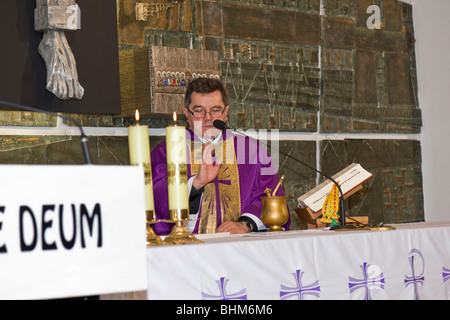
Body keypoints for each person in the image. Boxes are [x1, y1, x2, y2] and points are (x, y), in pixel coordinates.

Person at [151, 77, 290, 234]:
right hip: (189, 249)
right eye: (198, 111)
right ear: (186, 114)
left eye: (216, 110)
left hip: (239, 248)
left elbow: (270, 196)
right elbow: (154, 196)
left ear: (226, 113)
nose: (208, 117)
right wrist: (196, 184)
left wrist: (245, 224)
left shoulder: (252, 151)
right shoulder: (167, 151)